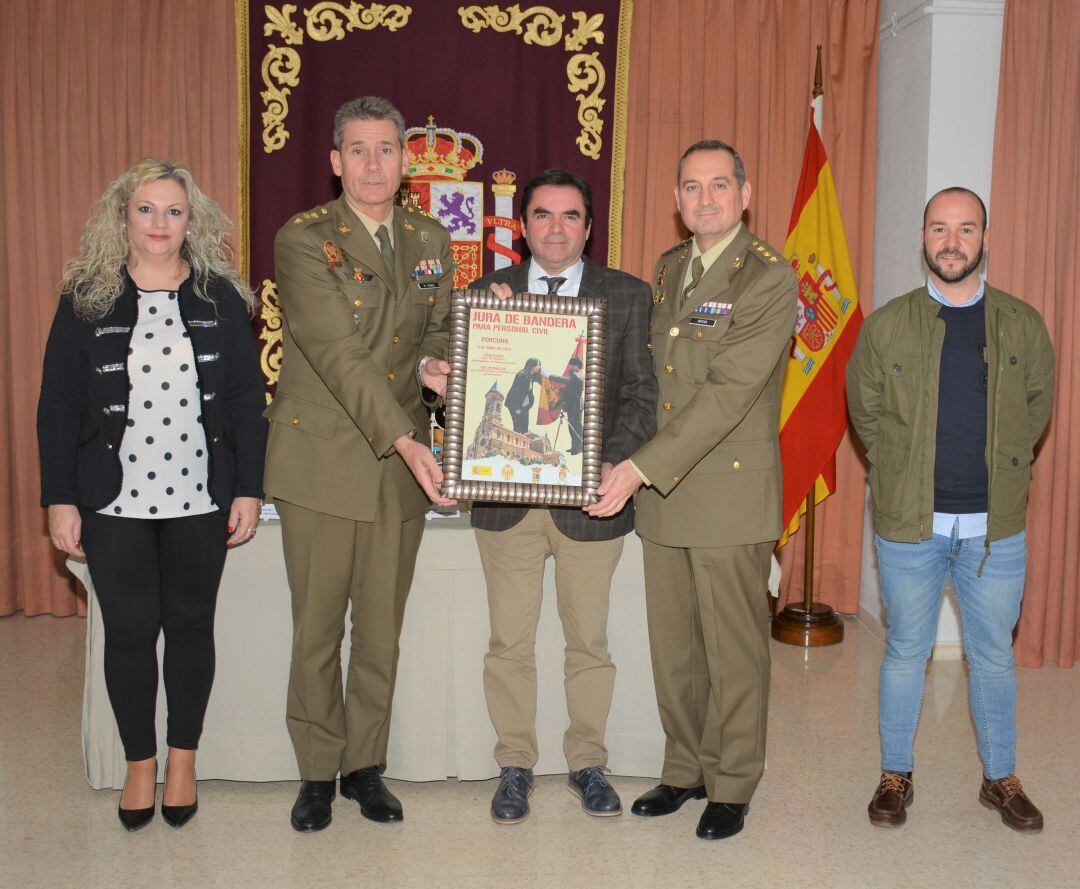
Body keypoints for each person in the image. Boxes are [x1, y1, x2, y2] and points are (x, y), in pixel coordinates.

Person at [37, 158, 267, 831]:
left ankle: (184, 756)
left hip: (200, 496)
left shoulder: (220, 297)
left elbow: (246, 399)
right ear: (123, 216)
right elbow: (58, 403)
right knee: (131, 632)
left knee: (192, 627)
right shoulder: (86, 297)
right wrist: (59, 496)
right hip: (114, 501)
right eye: (146, 209)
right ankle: (141, 762)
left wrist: (248, 487)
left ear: (190, 220)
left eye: (173, 210)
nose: (160, 222)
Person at [587, 140, 797, 840]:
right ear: (676, 201)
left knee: (734, 649)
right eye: (690, 187)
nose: (704, 199)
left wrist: (639, 466)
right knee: (675, 647)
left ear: (744, 193)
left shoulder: (768, 279)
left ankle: (733, 781)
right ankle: (686, 768)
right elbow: (656, 382)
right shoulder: (672, 267)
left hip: (728, 495)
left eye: (717, 186)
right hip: (665, 494)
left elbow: (727, 393)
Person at [264, 96, 455, 832]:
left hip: (398, 467)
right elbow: (338, 358)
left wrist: (441, 367)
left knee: (380, 628)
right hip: (325, 458)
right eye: (360, 149)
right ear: (335, 160)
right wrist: (410, 439)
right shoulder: (305, 238)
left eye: (387, 149)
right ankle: (316, 771)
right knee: (316, 628)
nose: (375, 163)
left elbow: (435, 331)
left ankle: (363, 766)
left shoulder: (430, 235)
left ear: (406, 160)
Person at [846, 187, 1054, 833]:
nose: (952, 241)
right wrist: (902, 473)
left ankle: (1000, 778)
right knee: (906, 650)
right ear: (924, 239)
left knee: (992, 656)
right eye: (940, 228)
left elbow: (1037, 407)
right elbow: (865, 412)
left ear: (984, 240)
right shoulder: (887, 325)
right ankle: (894, 774)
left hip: (995, 532)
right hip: (912, 528)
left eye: (966, 229)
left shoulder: (1020, 323)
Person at [471, 169, 657, 823]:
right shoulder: (484, 296)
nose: (557, 228)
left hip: (591, 501)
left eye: (570, 216)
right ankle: (515, 765)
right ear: (522, 227)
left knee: (590, 644)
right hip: (506, 501)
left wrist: (611, 465)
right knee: (509, 644)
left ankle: (588, 763)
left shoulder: (629, 296)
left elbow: (643, 395)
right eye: (543, 215)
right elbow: (459, 390)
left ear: (588, 225)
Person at [549, 355, 585, 454]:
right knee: (571, 426)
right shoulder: (575, 376)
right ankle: (575, 447)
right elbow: (568, 391)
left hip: (576, 405)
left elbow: (564, 380)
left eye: (572, 365)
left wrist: (549, 375)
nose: (570, 367)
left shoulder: (577, 376)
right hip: (572, 405)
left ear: (577, 366)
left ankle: (580, 447)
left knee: (576, 426)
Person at [504, 357, 542, 433]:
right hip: (515, 404)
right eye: (538, 365)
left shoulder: (532, 376)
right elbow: (516, 392)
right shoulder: (521, 375)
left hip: (525, 405)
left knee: (524, 429)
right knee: (518, 429)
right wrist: (516, 408)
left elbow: (542, 380)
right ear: (532, 366)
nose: (540, 366)